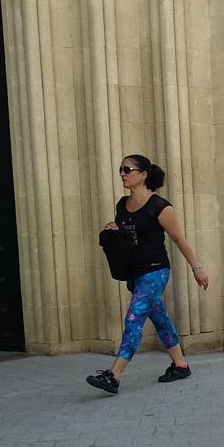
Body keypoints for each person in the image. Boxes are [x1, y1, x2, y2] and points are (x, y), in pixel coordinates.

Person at [88, 155, 209, 394]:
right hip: (135, 271)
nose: (122, 173)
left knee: (134, 319)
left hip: (155, 271)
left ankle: (114, 375)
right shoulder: (122, 205)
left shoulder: (160, 207)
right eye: (120, 170)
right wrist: (113, 228)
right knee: (160, 317)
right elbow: (126, 233)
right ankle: (180, 364)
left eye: (127, 169)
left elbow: (178, 239)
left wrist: (197, 268)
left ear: (143, 175)